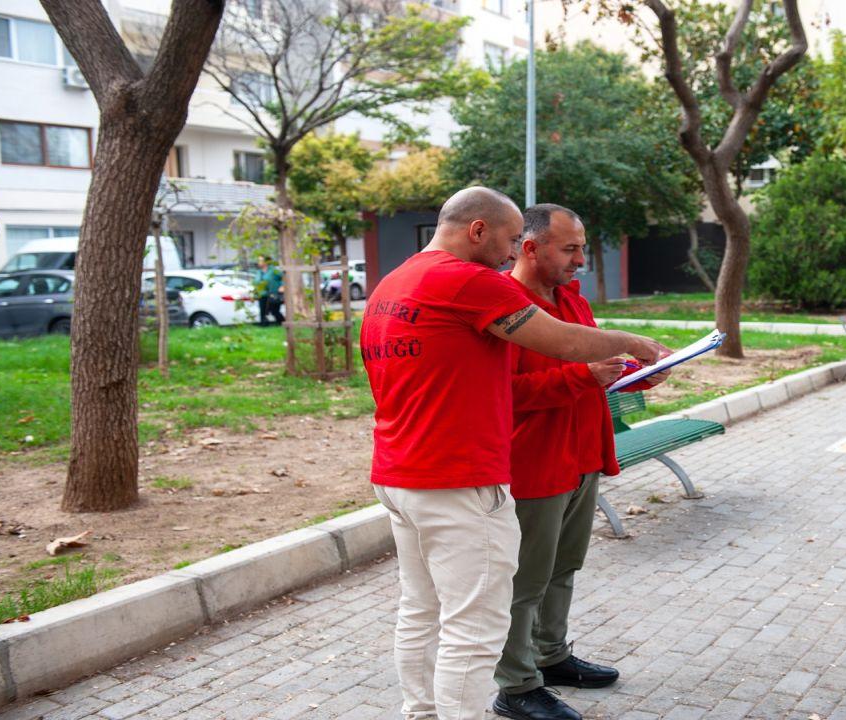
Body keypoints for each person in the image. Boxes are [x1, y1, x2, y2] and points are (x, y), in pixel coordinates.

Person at [360, 187, 666, 720]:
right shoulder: (468, 281)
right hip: (457, 478)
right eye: (506, 240)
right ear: (477, 231)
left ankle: (422, 712)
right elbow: (564, 344)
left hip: (400, 472)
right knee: (474, 628)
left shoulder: (395, 281)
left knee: (422, 611)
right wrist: (636, 343)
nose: (510, 253)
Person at [493, 204, 669, 720]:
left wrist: (632, 376)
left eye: (581, 247)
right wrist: (584, 376)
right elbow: (502, 392)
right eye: (570, 249)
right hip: (536, 461)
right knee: (526, 578)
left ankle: (551, 655)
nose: (581, 260)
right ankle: (516, 685)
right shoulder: (504, 305)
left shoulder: (571, 299)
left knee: (564, 566)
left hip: (581, 454)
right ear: (530, 247)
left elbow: (592, 371)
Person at [254, 255, 285, 326]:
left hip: (273, 294)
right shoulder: (259, 272)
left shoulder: (274, 270)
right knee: (263, 311)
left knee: (275, 311)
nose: (258, 262)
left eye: (260, 260)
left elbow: (284, 277)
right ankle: (264, 325)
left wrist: (282, 286)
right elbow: (256, 282)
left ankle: (283, 323)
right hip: (262, 294)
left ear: (266, 262)